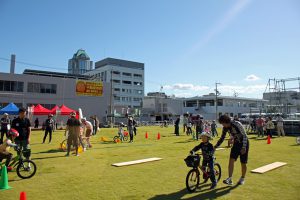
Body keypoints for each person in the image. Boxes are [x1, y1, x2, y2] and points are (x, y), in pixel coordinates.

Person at [214, 115, 249, 185]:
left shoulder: (237, 124)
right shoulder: (225, 128)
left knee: (243, 163)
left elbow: (244, 135)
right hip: (236, 144)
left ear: (226, 121)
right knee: (231, 160)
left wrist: (244, 147)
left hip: (244, 144)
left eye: (223, 123)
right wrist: (215, 146)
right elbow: (222, 138)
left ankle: (242, 178)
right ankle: (229, 179)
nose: (223, 125)